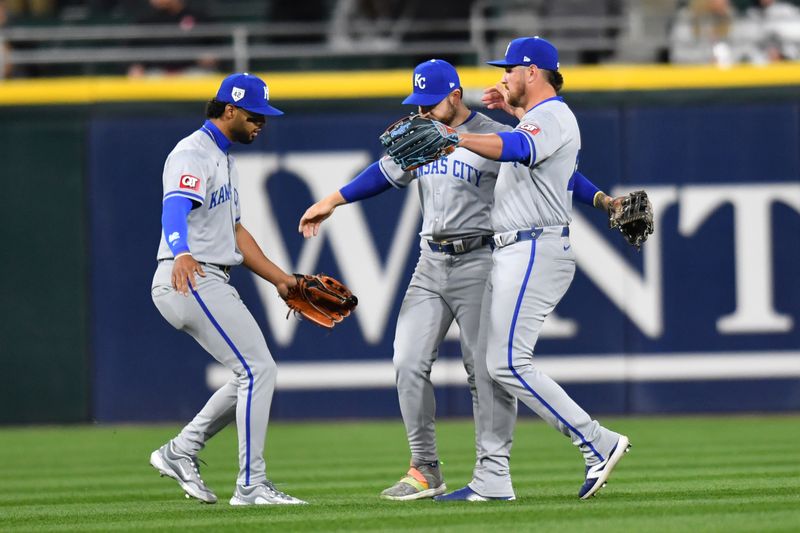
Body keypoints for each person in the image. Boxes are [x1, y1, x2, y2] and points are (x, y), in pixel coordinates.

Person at [298, 59, 622, 501]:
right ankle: (424, 468)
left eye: (430, 103)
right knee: (406, 362)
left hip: (481, 259)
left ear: (455, 96)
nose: (423, 112)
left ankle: (493, 473)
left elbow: (558, 173)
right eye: (417, 104)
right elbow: (384, 172)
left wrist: (601, 199)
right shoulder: (425, 132)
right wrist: (333, 200)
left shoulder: (494, 135)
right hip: (429, 262)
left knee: (486, 370)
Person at [434, 37, 631, 502]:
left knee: (505, 362)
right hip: (519, 248)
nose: (502, 76)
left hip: (533, 248)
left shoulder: (552, 117)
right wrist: (604, 200)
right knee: (499, 362)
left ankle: (597, 442)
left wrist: (459, 136)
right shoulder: (540, 119)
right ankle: (492, 482)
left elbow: (516, 149)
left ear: (532, 72)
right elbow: (561, 175)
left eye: (509, 69)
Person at [149, 73, 306, 506]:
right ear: (230, 110)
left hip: (207, 274)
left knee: (250, 372)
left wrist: (281, 279)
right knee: (259, 370)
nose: (262, 124)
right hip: (189, 275)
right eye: (256, 116)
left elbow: (235, 231)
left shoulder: (224, 157)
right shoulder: (192, 152)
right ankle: (251, 485)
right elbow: (175, 208)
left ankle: (180, 451)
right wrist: (181, 251)